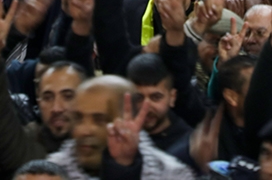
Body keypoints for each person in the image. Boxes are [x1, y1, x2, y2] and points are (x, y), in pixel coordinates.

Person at [46, 75, 194, 177]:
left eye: (99, 120)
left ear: (130, 122)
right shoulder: (47, 174)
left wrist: (122, 168)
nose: (85, 130)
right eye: (78, 118)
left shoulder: (172, 175)